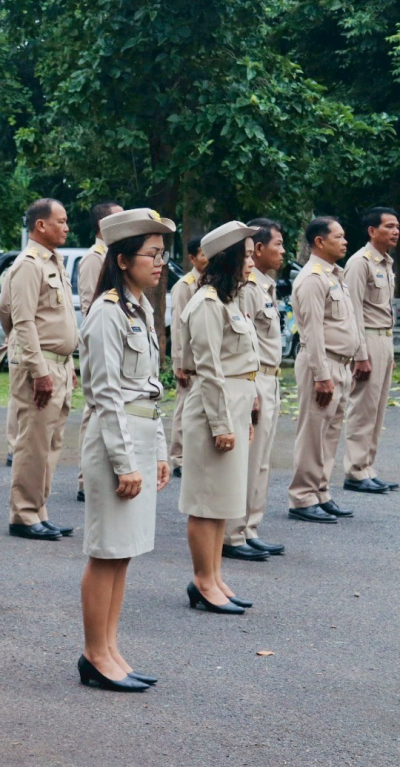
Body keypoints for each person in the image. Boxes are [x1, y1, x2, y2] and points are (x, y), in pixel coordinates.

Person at [77, 208, 174, 692]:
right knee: (106, 550)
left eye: (163, 254)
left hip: (138, 434)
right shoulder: (107, 312)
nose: (160, 263)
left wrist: (157, 450)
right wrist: (125, 462)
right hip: (114, 441)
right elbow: (107, 394)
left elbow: (149, 392)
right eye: (152, 254)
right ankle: (95, 653)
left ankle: (111, 647)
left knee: (124, 553)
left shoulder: (140, 308)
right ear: (121, 259)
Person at [177, 221, 259, 615]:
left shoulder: (227, 300)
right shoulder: (207, 303)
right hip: (213, 410)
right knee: (205, 501)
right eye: (245, 255)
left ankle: (216, 576)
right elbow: (209, 371)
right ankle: (202, 581)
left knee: (224, 500)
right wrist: (223, 425)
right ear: (228, 259)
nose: (252, 261)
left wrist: (243, 416)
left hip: (232, 405)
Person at [0, 198, 78, 541]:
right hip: (41, 365)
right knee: (32, 442)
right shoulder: (29, 264)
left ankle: (39, 510)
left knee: (50, 442)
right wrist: (37, 368)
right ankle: (23, 514)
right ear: (40, 225)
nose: (66, 226)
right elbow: (19, 318)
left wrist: (66, 363)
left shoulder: (52, 261)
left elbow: (7, 308)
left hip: (60, 363)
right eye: (60, 221)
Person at [287, 217, 367, 524]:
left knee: (330, 432)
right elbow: (312, 331)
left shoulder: (336, 275)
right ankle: (302, 498)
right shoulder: (312, 278)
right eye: (339, 236)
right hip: (322, 364)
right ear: (320, 242)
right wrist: (321, 375)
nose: (345, 241)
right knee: (313, 432)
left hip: (340, 364)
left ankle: (320, 492)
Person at [223, 219, 288, 561]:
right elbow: (241, 342)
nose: (282, 251)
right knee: (247, 460)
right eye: (277, 244)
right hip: (255, 376)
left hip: (271, 377)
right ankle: (233, 533)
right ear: (258, 249)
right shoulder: (247, 287)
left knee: (261, 460)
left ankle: (250, 528)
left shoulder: (264, 286)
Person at [341, 207, 399, 493]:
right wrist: (360, 354)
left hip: (383, 340)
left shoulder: (386, 263)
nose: (396, 231)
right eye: (389, 226)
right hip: (367, 339)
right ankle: (354, 470)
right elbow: (353, 311)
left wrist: (387, 352)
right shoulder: (359, 263)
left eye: (397, 226)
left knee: (377, 410)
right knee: (362, 408)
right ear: (372, 231)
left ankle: (367, 467)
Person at [75, 200, 123, 503]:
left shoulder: (115, 255)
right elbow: (91, 303)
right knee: (94, 409)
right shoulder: (95, 258)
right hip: (102, 336)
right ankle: (85, 478)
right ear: (103, 226)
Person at [168, 236, 207, 477]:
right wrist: (180, 363)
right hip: (189, 360)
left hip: (207, 357)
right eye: (203, 254)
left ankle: (197, 454)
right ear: (192, 258)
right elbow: (178, 327)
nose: (208, 258)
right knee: (184, 407)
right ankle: (179, 457)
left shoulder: (214, 282)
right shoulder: (185, 285)